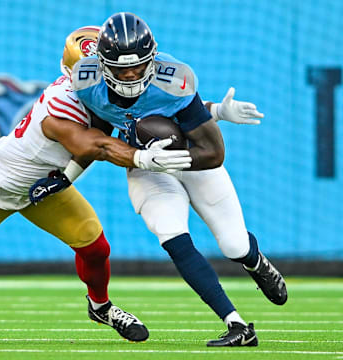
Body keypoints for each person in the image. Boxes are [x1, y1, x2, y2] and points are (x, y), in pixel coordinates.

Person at [30, 14, 286, 347]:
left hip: (192, 158)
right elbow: (100, 138)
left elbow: (213, 151)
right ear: (102, 64)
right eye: (121, 70)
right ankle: (237, 324)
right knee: (172, 236)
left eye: (138, 67)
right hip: (145, 165)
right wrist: (67, 176)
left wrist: (202, 128)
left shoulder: (173, 77)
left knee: (233, 244)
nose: (131, 76)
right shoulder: (86, 82)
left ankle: (254, 260)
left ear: (152, 58)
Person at [0, 51, 197, 341]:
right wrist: (144, 158)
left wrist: (215, 111)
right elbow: (94, 146)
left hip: (42, 188)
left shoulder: (104, 95)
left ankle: (101, 307)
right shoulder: (62, 103)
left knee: (95, 247)